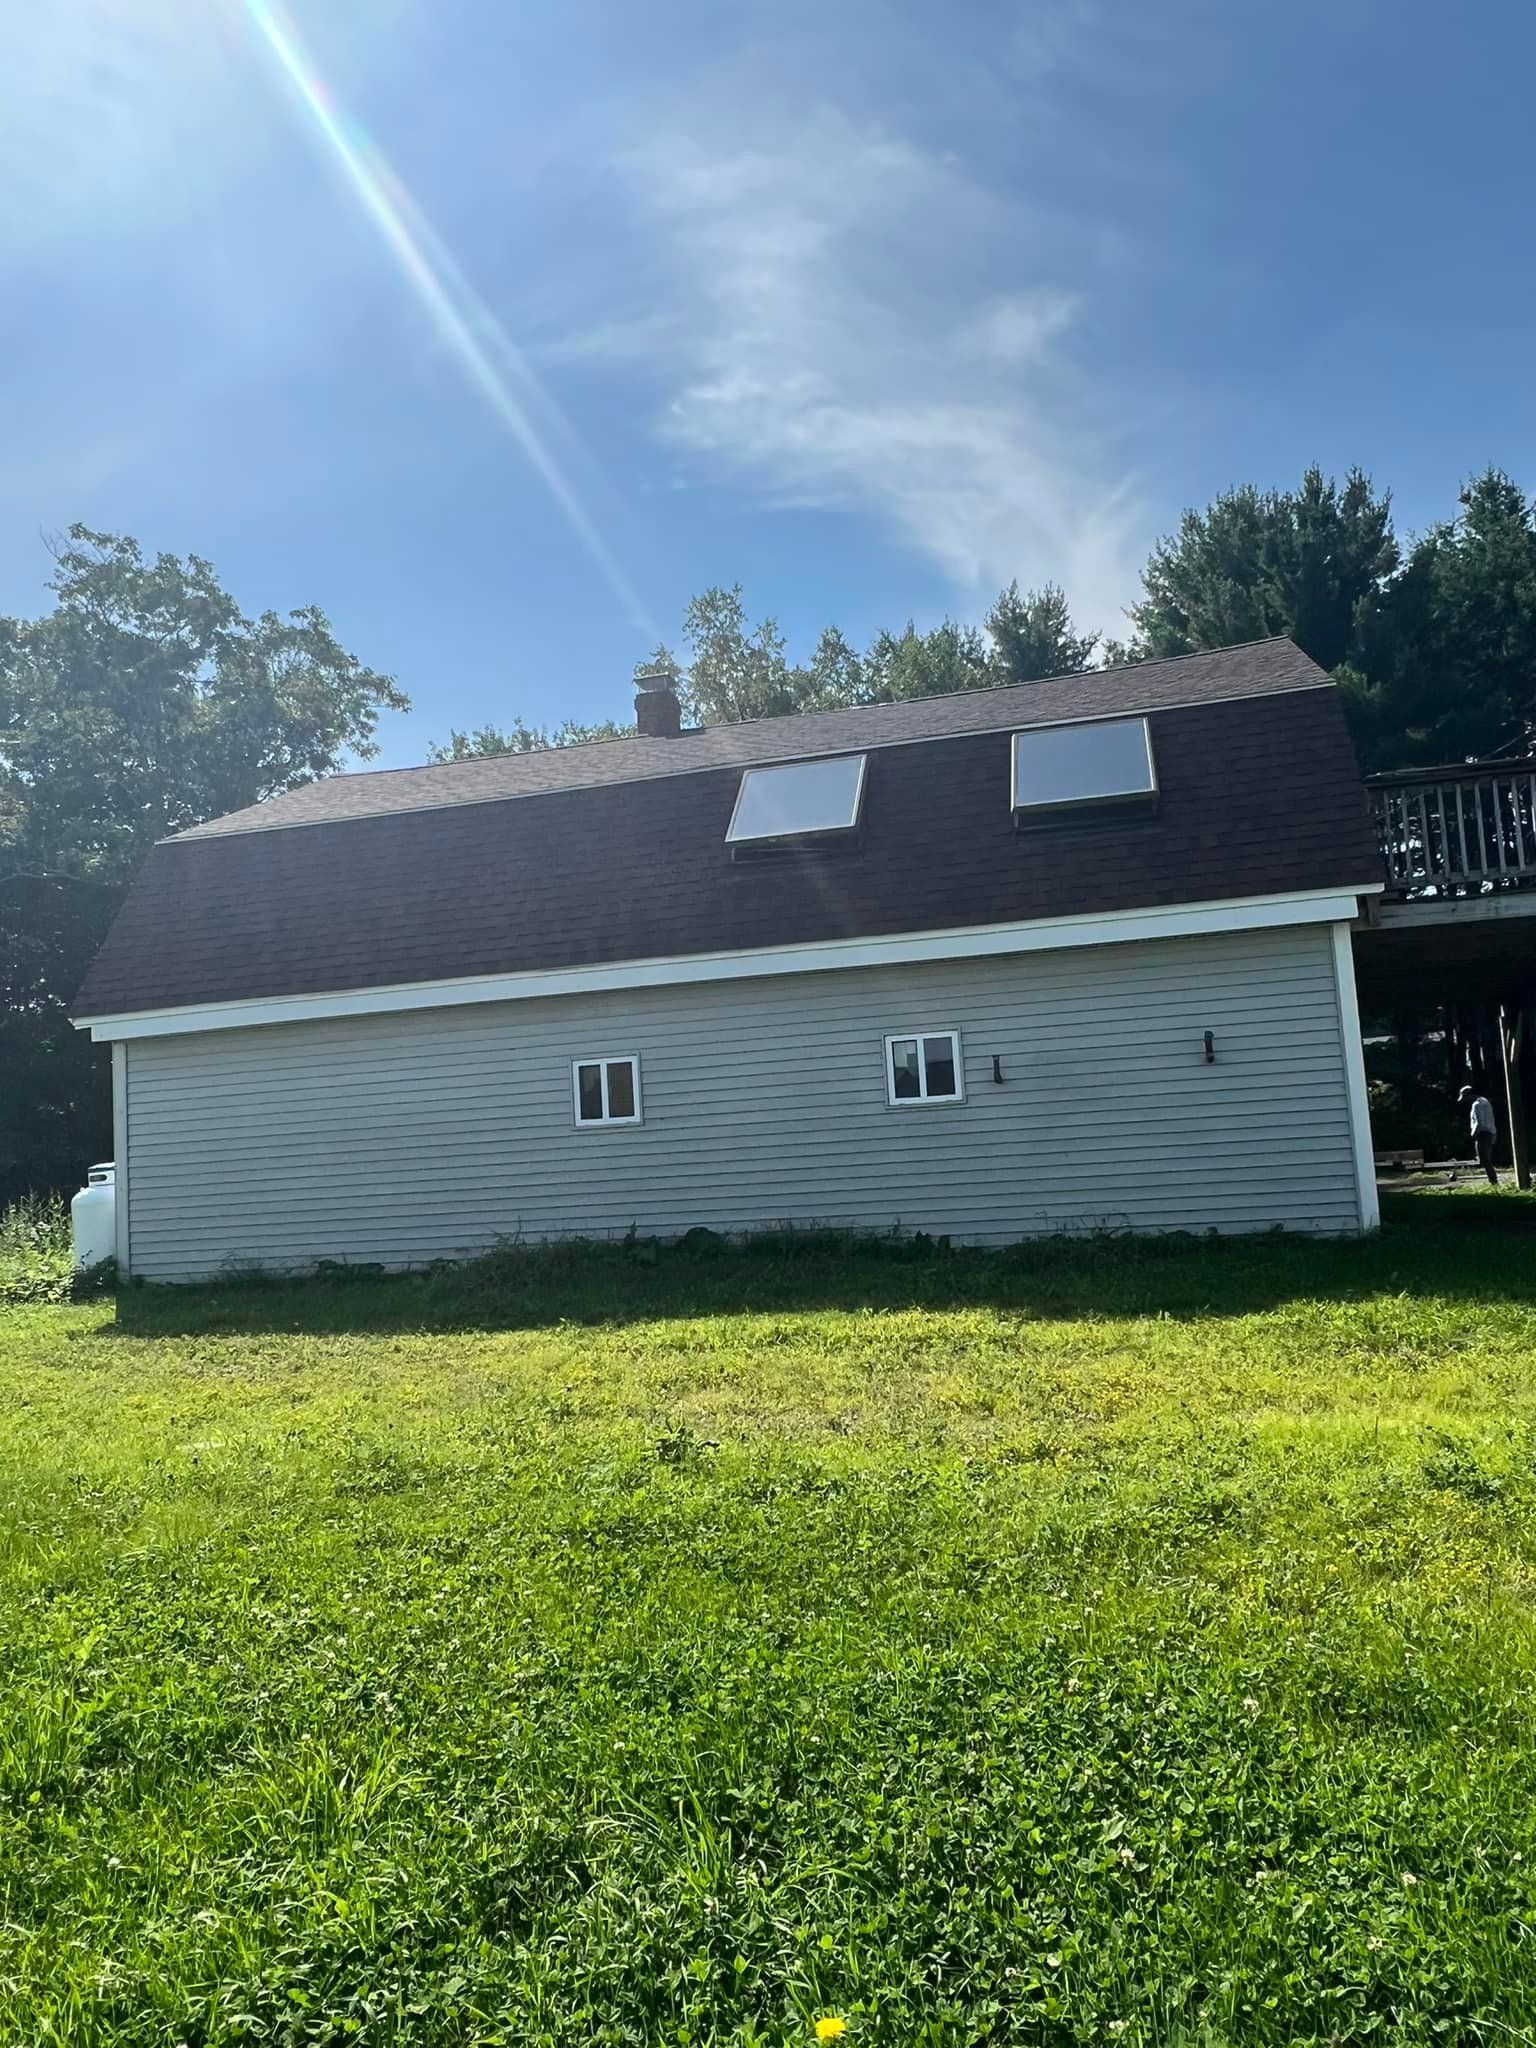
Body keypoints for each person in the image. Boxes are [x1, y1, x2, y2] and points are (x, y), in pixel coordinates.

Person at [1459, 1085, 1499, 1185]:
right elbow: (1491, 1120)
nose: (1465, 1100)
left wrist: (1473, 1134)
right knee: (1486, 1160)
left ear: (1469, 1095)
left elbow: (1479, 1123)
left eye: (1465, 1097)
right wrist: (1494, 1134)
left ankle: (1493, 1182)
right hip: (1490, 1133)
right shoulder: (1486, 1101)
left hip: (1482, 1134)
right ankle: (1493, 1181)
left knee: (1485, 1161)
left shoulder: (1476, 1105)